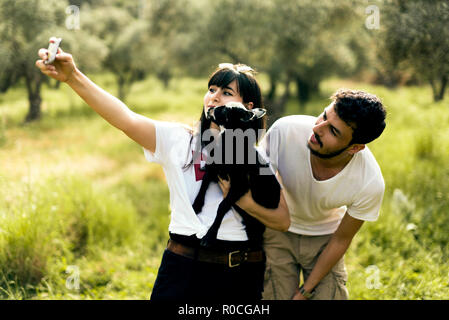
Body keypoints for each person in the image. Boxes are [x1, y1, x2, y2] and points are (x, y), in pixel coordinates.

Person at [35, 46, 290, 301]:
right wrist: (72, 76)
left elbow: (282, 219)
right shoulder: (179, 140)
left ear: (248, 106)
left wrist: (243, 202)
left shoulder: (256, 156)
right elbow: (125, 118)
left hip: (239, 272)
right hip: (182, 266)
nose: (214, 97)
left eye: (226, 93)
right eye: (211, 90)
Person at [250, 89, 387, 300]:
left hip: (326, 238)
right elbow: (253, 183)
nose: (317, 128)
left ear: (355, 148)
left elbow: (342, 239)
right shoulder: (285, 130)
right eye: (324, 115)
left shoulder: (370, 182)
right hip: (277, 230)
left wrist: (305, 291)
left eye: (333, 131)